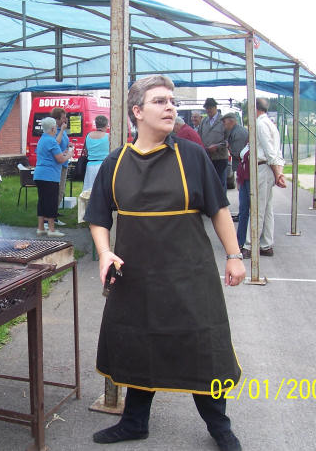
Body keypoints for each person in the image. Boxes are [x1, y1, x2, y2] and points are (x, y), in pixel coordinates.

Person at [84, 75, 245, 451]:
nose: (170, 107)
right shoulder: (116, 161)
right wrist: (105, 251)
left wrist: (235, 256)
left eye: (171, 101)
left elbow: (219, 208)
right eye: (159, 101)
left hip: (189, 275)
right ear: (137, 112)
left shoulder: (192, 155)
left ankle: (219, 426)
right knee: (139, 346)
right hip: (136, 279)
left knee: (202, 349)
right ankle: (134, 422)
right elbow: (98, 216)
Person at [241, 98, 286, 258]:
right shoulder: (271, 124)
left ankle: (249, 245)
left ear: (255, 109)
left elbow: (269, 151)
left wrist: (277, 173)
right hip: (268, 168)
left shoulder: (260, 124)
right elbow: (276, 152)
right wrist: (278, 172)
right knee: (266, 209)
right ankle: (266, 244)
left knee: (258, 209)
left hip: (263, 167)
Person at [34, 116, 73, 237]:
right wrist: (69, 154)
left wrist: (63, 153)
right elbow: (60, 159)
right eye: (55, 127)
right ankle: (51, 230)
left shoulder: (42, 139)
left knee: (42, 201)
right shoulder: (51, 141)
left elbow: (54, 152)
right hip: (49, 176)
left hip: (39, 175)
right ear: (52, 128)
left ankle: (41, 228)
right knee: (51, 202)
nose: (56, 128)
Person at [223, 112, 249, 224]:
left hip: (242, 167)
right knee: (242, 193)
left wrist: (228, 148)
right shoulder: (236, 131)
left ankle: (243, 215)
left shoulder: (238, 133)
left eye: (225, 123)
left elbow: (238, 153)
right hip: (241, 166)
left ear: (231, 121)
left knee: (243, 193)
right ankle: (242, 214)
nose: (224, 126)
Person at [198, 98, 230, 192]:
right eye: (207, 108)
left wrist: (217, 146)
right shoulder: (204, 121)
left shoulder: (223, 121)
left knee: (220, 183)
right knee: (209, 183)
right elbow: (199, 137)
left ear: (215, 107)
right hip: (207, 157)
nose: (208, 110)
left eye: (210, 108)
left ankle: (222, 205)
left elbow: (228, 140)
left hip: (220, 157)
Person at [50, 107, 70, 226]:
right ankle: (52, 216)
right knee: (58, 190)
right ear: (57, 119)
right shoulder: (55, 131)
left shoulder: (61, 130)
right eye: (63, 117)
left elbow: (62, 143)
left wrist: (68, 145)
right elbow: (55, 144)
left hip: (64, 162)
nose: (65, 119)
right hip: (58, 164)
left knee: (61, 190)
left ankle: (54, 212)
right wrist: (62, 130)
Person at [82, 115, 110, 192]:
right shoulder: (108, 136)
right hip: (104, 165)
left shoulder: (88, 135)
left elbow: (86, 151)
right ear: (106, 125)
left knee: (89, 192)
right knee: (102, 190)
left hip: (90, 165)